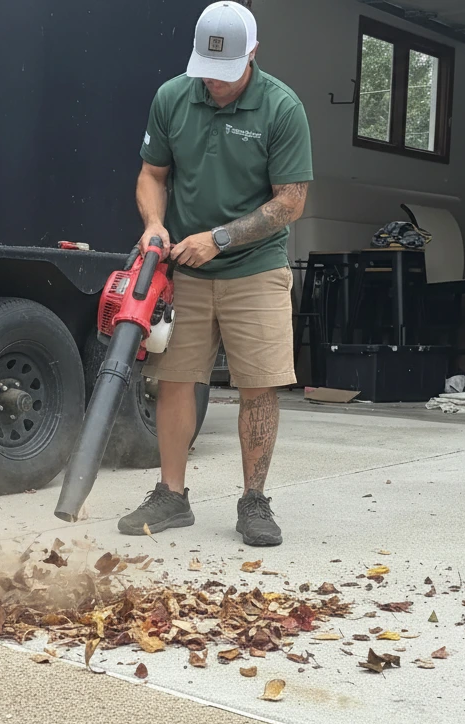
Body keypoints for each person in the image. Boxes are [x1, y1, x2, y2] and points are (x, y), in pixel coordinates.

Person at [118, 1, 312, 547]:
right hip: (185, 266)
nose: (215, 81)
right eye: (207, 68)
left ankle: (254, 501)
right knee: (176, 379)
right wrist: (154, 224)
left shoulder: (282, 108)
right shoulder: (172, 97)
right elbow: (152, 174)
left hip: (256, 267)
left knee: (259, 385)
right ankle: (171, 495)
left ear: (254, 53)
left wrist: (220, 239)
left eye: (226, 71)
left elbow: (291, 202)